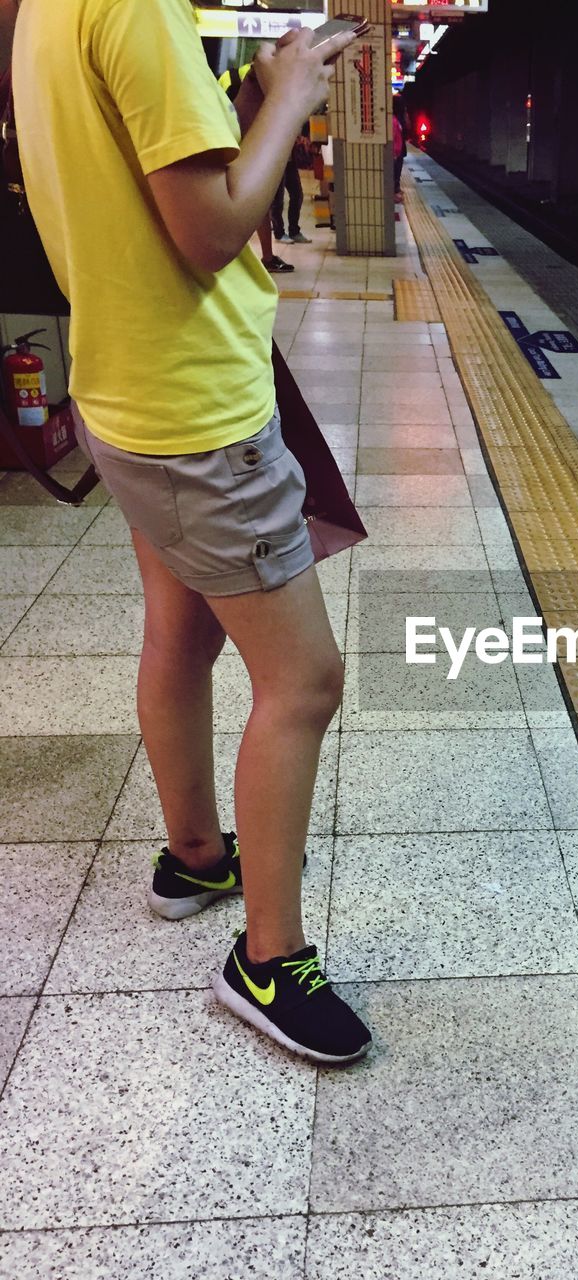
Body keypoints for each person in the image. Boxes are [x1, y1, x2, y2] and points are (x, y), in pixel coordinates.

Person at [12, 0, 372, 1065]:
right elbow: (211, 229)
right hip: (197, 414)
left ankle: (195, 857)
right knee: (303, 681)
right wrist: (298, 96)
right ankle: (267, 961)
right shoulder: (137, 4)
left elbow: (141, 167)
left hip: (126, 390)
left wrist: (256, 95)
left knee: (181, 632)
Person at [219, 63, 293, 272]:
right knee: (258, 205)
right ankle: (264, 256)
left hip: (230, 143)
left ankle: (264, 255)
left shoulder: (228, 78)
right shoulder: (271, 76)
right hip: (242, 146)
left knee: (259, 206)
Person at [272, 140, 309, 244]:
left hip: (290, 161)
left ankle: (294, 231)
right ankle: (279, 233)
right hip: (276, 161)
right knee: (278, 199)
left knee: (297, 195)